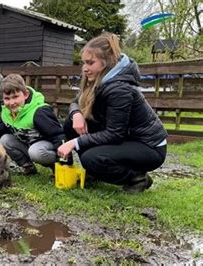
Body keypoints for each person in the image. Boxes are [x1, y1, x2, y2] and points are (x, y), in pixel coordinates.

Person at [57, 32, 167, 193]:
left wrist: (74, 143)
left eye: (90, 63)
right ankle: (95, 173)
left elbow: (115, 134)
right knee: (70, 125)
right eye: (84, 63)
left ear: (106, 62)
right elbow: (76, 101)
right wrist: (76, 114)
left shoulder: (119, 89)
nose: (85, 68)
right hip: (126, 137)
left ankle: (136, 178)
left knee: (91, 159)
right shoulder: (99, 80)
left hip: (148, 146)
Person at [0, 74, 66, 175]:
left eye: (15, 97)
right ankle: (28, 167)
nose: (11, 102)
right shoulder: (6, 111)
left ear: (25, 94)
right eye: (7, 98)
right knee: (5, 140)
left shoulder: (39, 112)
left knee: (35, 152)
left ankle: (56, 167)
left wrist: (65, 162)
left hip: (46, 146)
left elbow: (58, 136)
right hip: (28, 144)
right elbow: (5, 127)